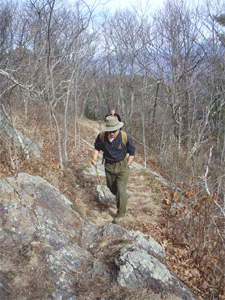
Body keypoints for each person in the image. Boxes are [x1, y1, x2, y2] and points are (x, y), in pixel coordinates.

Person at [91, 116, 136, 224]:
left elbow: (132, 152)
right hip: (109, 167)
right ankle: (122, 198)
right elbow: (97, 148)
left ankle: (120, 214)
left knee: (120, 191)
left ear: (118, 129)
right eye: (110, 131)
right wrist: (94, 158)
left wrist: (128, 164)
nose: (112, 133)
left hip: (122, 167)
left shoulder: (125, 137)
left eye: (114, 131)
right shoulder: (101, 137)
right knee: (111, 188)